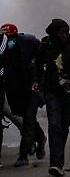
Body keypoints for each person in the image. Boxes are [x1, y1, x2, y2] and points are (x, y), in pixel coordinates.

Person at [33, 19, 70, 177]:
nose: (65, 35)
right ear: (53, 34)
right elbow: (37, 66)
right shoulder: (44, 47)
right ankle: (56, 164)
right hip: (51, 93)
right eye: (61, 32)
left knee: (63, 127)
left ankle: (57, 159)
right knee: (54, 126)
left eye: (67, 31)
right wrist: (36, 81)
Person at [0, 23, 46, 167]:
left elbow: (43, 55)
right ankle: (41, 137)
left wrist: (38, 77)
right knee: (26, 117)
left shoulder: (29, 41)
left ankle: (23, 155)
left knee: (28, 119)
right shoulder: (4, 49)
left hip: (32, 87)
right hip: (15, 90)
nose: (6, 40)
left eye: (8, 36)